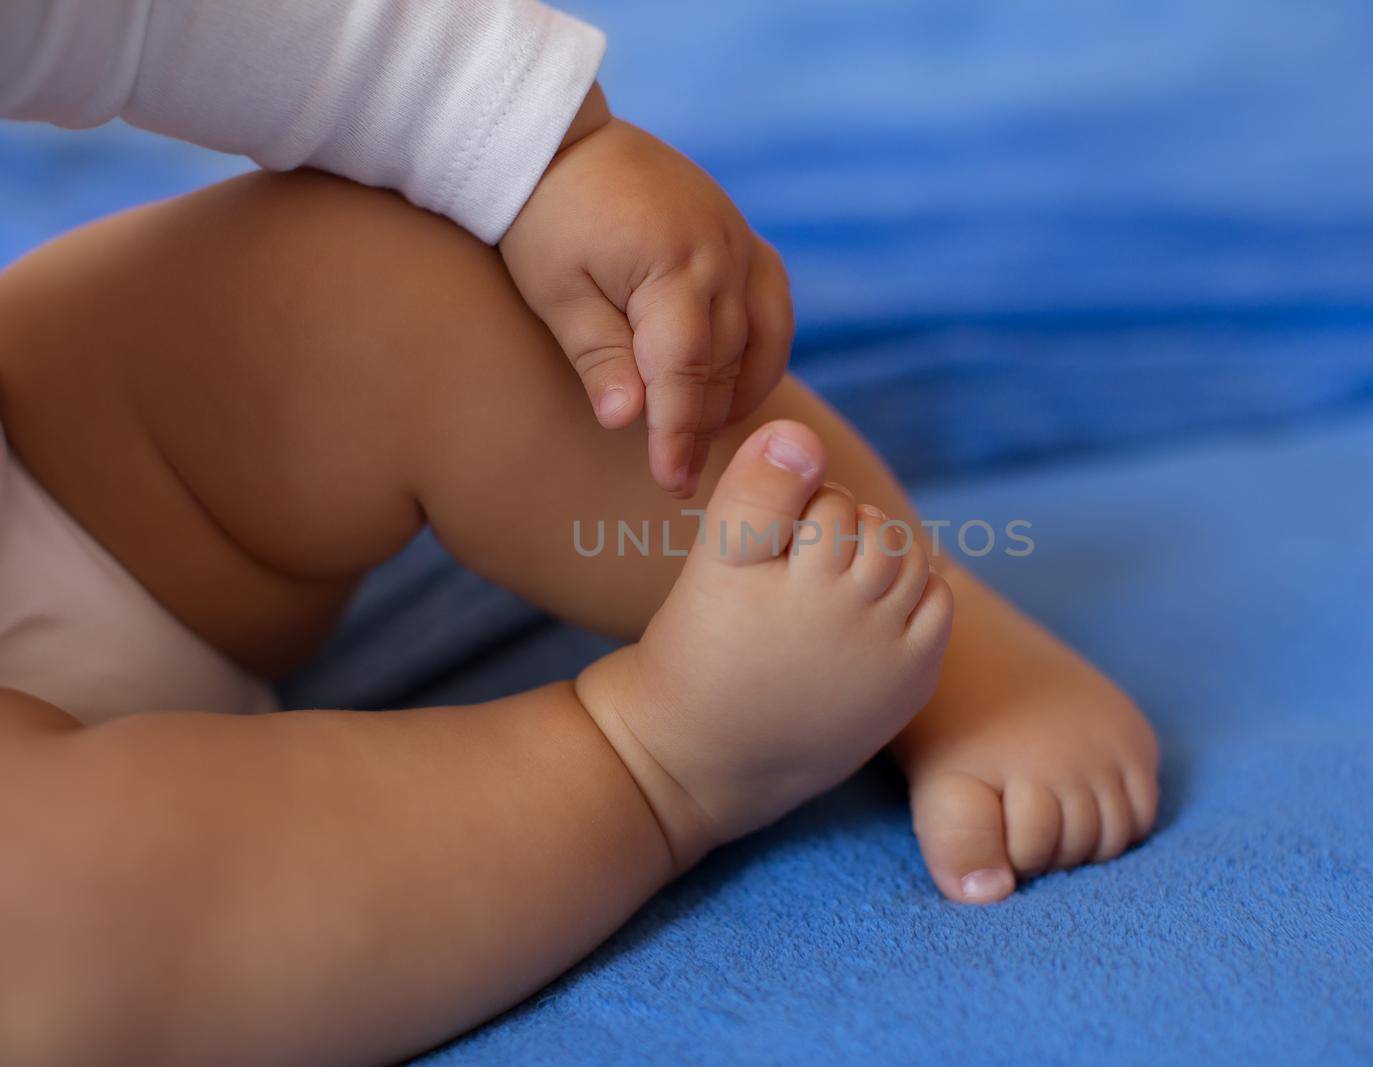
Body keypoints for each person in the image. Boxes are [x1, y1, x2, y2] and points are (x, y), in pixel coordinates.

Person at [0, 3, 1159, 1062]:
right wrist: (658, 750)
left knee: (367, 280)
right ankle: (649, 759)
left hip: (59, 499)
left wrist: (530, 148)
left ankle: (940, 648)